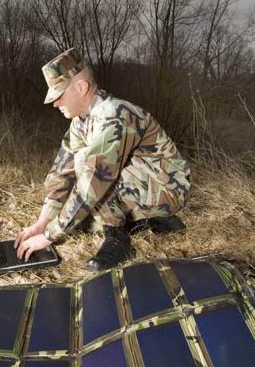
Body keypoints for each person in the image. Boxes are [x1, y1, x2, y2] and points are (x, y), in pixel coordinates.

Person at [15, 47, 190, 271]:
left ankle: (118, 239)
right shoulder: (81, 121)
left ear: (81, 87)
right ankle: (153, 220)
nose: (55, 104)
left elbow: (94, 178)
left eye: (59, 95)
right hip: (143, 183)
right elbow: (62, 173)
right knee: (83, 219)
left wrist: (50, 236)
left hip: (168, 188)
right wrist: (43, 223)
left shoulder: (114, 115)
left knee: (86, 173)